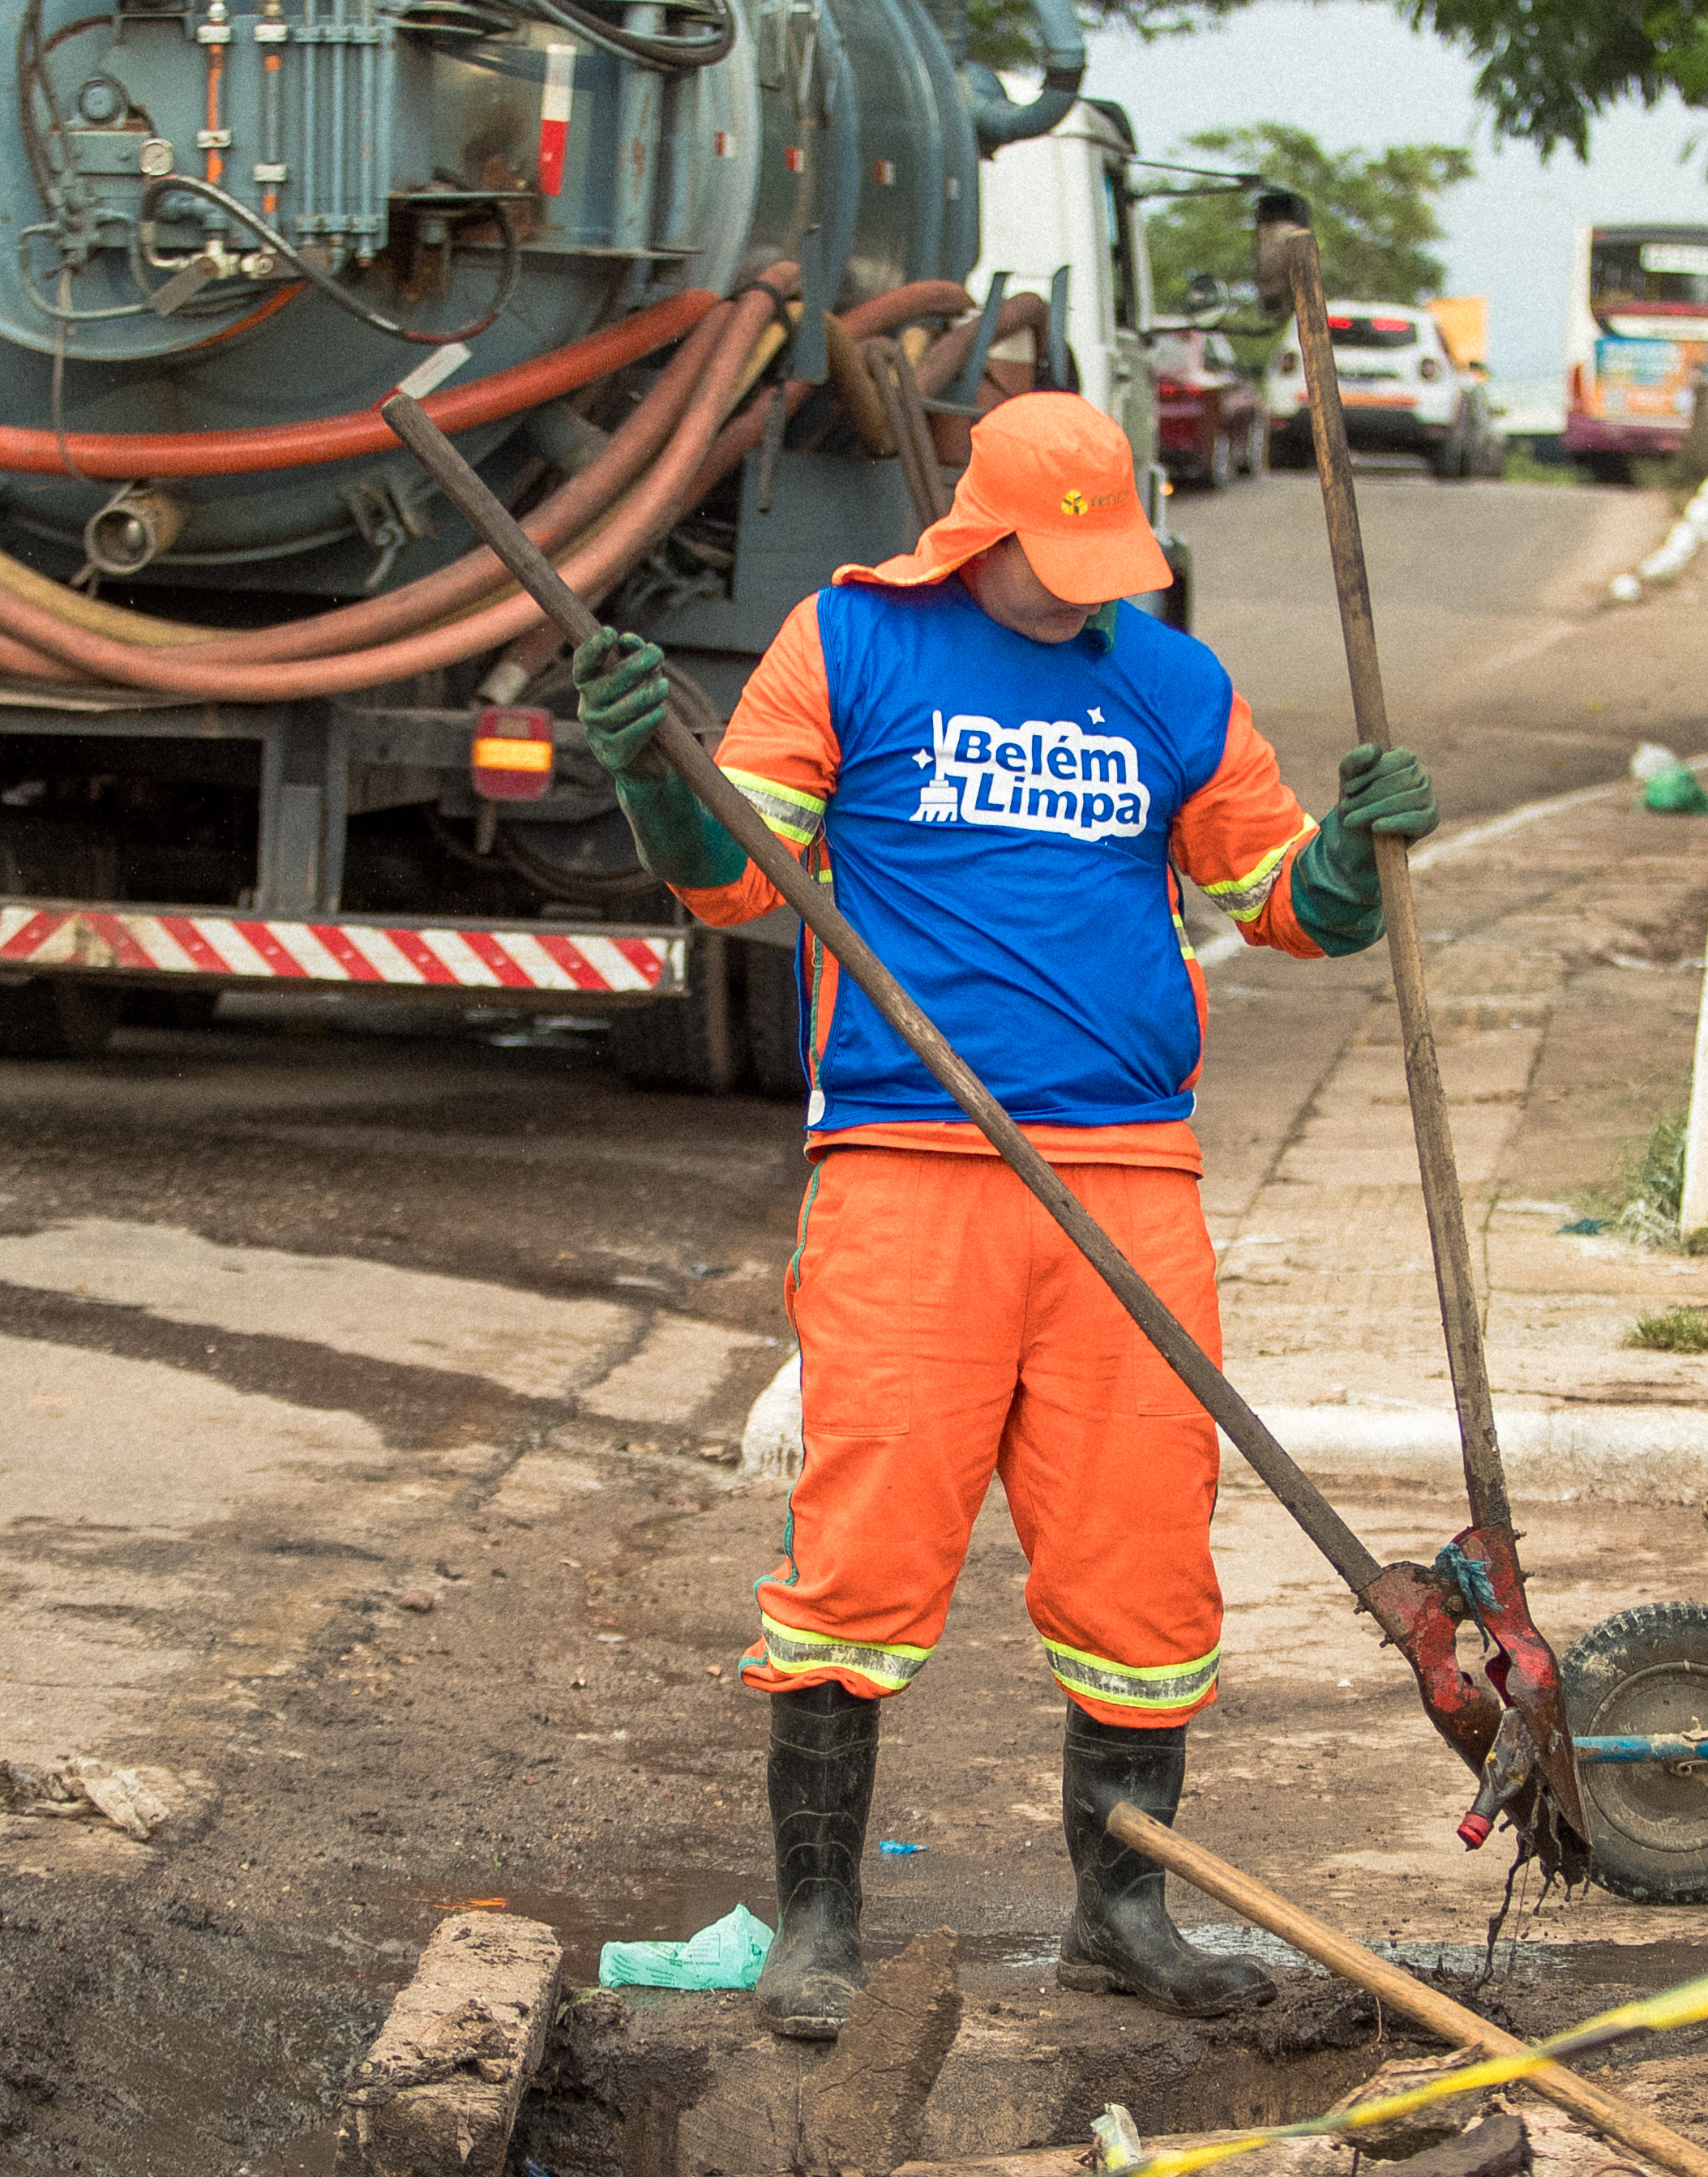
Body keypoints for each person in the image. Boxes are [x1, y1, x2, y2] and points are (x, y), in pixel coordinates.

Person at [570, 392, 1430, 2038]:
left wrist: (1353, 863)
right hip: (910, 1164)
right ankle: (819, 1920)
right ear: (983, 530)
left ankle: (1123, 1912)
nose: (1092, 585)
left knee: (1142, 1555)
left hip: (1128, 1171)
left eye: (1113, 555)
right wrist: (648, 773)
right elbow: (735, 871)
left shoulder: (1172, 682)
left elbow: (1281, 900)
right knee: (866, 1541)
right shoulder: (850, 646)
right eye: (1064, 555)